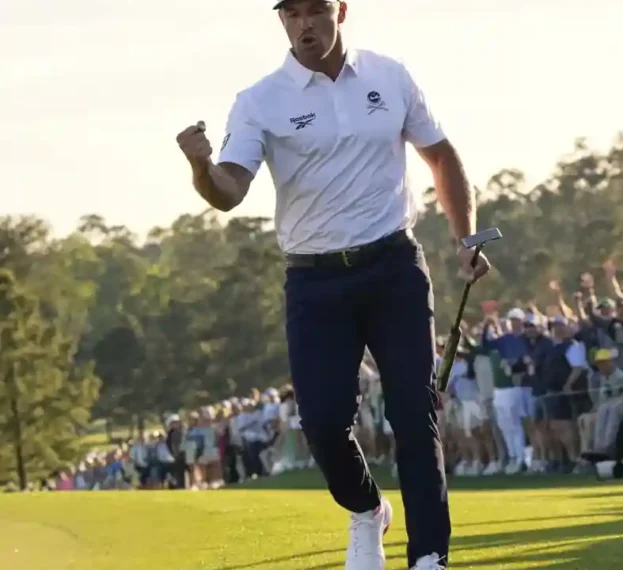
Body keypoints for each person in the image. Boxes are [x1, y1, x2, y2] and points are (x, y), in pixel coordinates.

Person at [173, 1, 489, 567]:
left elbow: (439, 155)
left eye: (315, 9)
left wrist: (466, 239)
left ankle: (429, 557)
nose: (304, 24)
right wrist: (200, 167)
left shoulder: (390, 76)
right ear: (282, 22)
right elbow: (230, 190)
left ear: (340, 10)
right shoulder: (259, 100)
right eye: (290, 14)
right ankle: (368, 510)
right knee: (322, 424)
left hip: (394, 267)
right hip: (315, 283)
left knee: (414, 413)